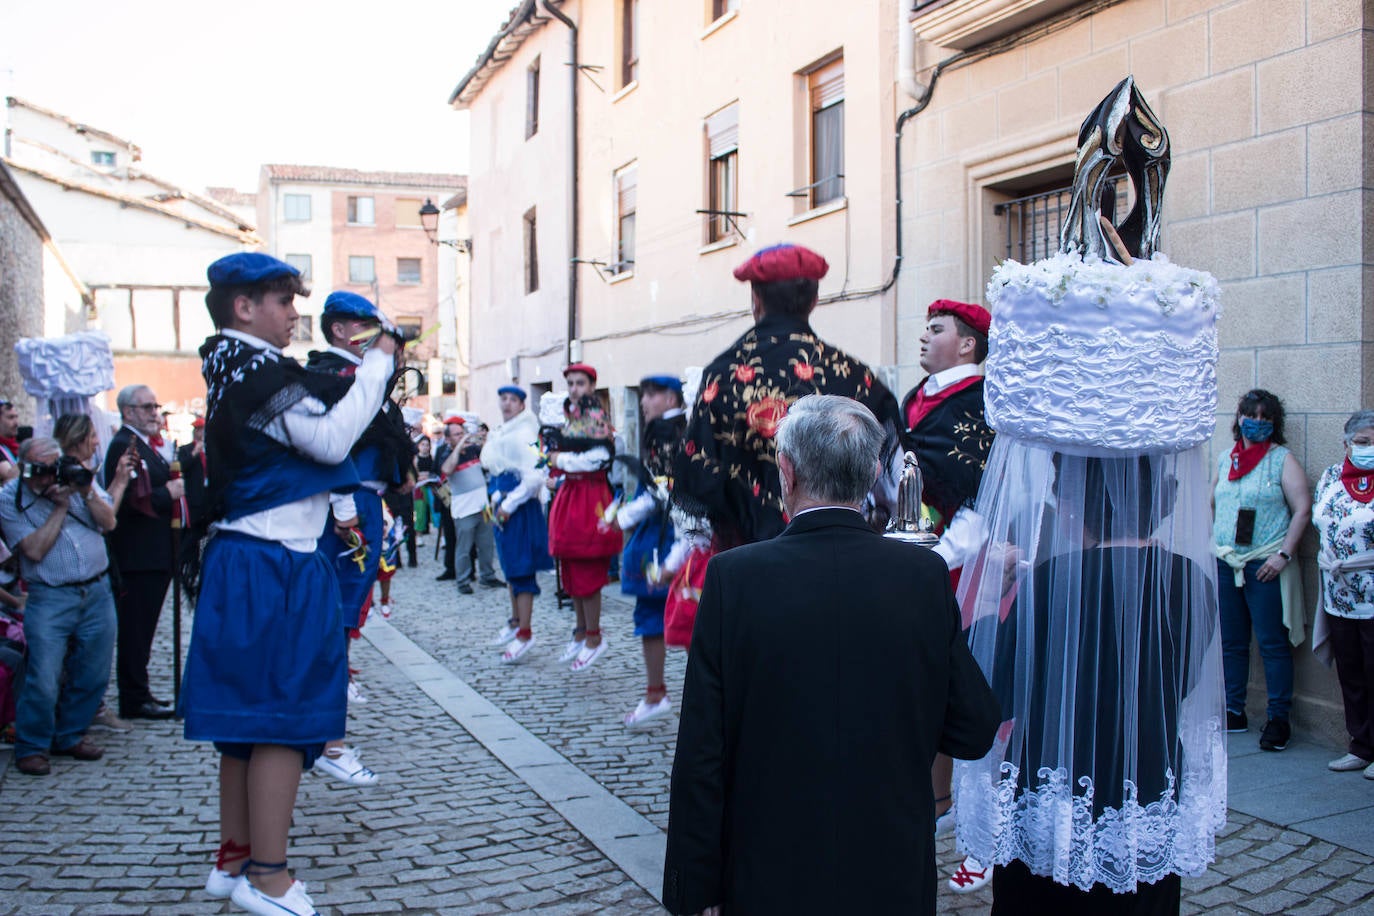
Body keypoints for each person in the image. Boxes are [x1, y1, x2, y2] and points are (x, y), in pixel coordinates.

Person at [662, 395, 1000, 915]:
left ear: (786, 472)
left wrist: (696, 889)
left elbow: (702, 751)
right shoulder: (921, 575)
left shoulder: (735, 578)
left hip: (769, 870)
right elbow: (974, 726)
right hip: (890, 871)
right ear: (870, 479)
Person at [178, 252, 396, 916]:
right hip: (275, 559)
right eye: (282, 300)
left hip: (251, 556)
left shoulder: (234, 367)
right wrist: (380, 364)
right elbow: (330, 442)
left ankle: (235, 858)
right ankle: (267, 877)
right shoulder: (258, 371)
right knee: (281, 715)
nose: (295, 312)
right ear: (244, 307)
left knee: (245, 720)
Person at [673, 243, 901, 552]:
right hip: (842, 557)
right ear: (814, 301)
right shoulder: (853, 374)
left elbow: (698, 477)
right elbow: (891, 473)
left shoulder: (722, 374)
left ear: (756, 300)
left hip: (749, 561)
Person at [896, 298, 997, 890]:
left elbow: (980, 498)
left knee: (977, 703)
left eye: (936, 329)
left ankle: (982, 840)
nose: (925, 336)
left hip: (968, 573)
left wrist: (934, 560)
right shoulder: (918, 397)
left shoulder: (978, 403)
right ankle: (939, 805)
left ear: (967, 344)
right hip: (922, 562)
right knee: (929, 695)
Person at [307, 290, 414, 785]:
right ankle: (330, 742)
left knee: (343, 624)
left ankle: (329, 734)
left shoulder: (356, 375)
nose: (373, 336)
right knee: (330, 623)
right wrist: (346, 510)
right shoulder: (332, 375)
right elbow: (333, 450)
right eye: (361, 326)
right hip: (344, 508)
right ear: (338, 330)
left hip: (365, 503)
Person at [0, 435, 129, 776]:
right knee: (43, 675)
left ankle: (69, 734)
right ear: (24, 467)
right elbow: (34, 550)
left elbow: (110, 523)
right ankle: (32, 746)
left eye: (51, 469)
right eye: (38, 471)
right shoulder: (9, 500)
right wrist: (59, 507)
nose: (46, 479)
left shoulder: (74, 480)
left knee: (94, 671)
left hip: (96, 590)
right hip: (50, 596)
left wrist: (84, 491)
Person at [1213, 389, 1310, 751]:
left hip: (1265, 563)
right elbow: (1212, 501)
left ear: (1274, 423)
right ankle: (1234, 710)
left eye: (1265, 417)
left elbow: (1302, 508)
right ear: (1238, 418)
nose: (1256, 422)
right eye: (1250, 415)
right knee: (1232, 643)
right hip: (1227, 562)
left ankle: (1278, 718)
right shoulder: (1226, 459)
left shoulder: (1281, 459)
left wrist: (1283, 554)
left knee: (1272, 643)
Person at [104, 384, 183, 722]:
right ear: (128, 411)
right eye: (147, 407)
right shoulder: (126, 445)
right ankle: (133, 697)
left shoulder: (146, 445)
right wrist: (168, 492)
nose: (155, 412)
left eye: (155, 405)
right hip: (138, 555)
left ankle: (140, 691)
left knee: (145, 628)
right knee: (136, 630)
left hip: (154, 553)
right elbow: (136, 504)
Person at [616, 374, 686, 727]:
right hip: (667, 530)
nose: (644, 402)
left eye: (652, 395)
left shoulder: (668, 433)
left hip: (675, 533)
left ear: (672, 399)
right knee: (656, 614)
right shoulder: (668, 430)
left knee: (685, 615)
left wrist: (630, 512)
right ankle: (657, 693)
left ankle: (662, 694)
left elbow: (666, 490)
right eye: (642, 395)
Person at [545, 364, 622, 671]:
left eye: (580, 383)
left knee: (587, 571)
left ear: (592, 386)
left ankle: (594, 637)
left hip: (590, 498)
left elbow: (597, 459)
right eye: (571, 383)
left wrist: (561, 460)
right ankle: (580, 632)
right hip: (571, 496)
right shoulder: (570, 419)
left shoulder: (597, 419)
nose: (574, 388)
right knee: (570, 570)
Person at [1312, 409, 1374, 779]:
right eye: (1363, 442)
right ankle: (1360, 745)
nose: (1369, 448)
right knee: (1351, 671)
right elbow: (1323, 522)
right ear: (1347, 443)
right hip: (1339, 595)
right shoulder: (1331, 477)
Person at [480, 385, 553, 662]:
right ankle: (514, 621)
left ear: (522, 405)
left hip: (519, 509)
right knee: (510, 566)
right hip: (504, 503)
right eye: (504, 399)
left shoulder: (524, 432)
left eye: (513, 399)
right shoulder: (504, 430)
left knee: (521, 568)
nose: (507, 403)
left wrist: (508, 505)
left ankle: (525, 631)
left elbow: (534, 476)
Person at [440, 414, 502, 595]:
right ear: (448, 438)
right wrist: (459, 446)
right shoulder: (447, 454)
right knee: (464, 548)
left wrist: (484, 439)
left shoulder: (473, 450)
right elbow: (446, 470)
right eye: (457, 435)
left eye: (462, 433)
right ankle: (463, 581)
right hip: (464, 509)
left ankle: (487, 576)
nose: (462, 436)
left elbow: (489, 457)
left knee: (486, 545)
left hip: (483, 507)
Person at [0, 397, 20, 482]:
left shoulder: (16, 446)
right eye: (11, 417)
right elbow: (10, 476)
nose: (16, 423)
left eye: (16, 417)